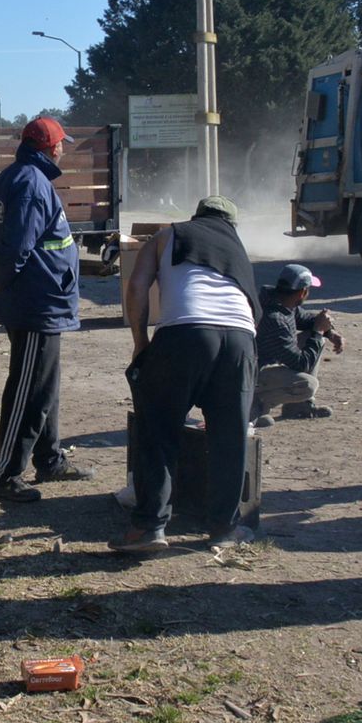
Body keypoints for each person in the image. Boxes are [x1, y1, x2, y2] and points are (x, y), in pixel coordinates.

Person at [110, 196, 261, 553]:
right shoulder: (238, 250)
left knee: (159, 430)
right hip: (240, 339)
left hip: (184, 334)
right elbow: (254, 312)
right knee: (230, 438)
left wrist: (140, 343)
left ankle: (149, 527)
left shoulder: (167, 235)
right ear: (231, 224)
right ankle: (225, 529)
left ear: (197, 216)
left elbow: (136, 286)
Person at [0, 116, 93, 502]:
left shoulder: (17, 177)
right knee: (28, 390)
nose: (63, 148)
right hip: (35, 302)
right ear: (50, 148)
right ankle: (7, 473)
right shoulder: (30, 183)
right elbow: (15, 248)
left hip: (43, 301)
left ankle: (49, 460)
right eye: (61, 143)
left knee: (44, 388)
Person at [252, 264, 342, 426]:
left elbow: (307, 320)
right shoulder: (275, 318)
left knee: (314, 337)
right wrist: (319, 331)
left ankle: (298, 406)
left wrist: (329, 332)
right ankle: (255, 407)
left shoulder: (281, 302)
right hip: (255, 373)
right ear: (303, 292)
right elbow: (301, 364)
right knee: (308, 385)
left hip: (265, 363)